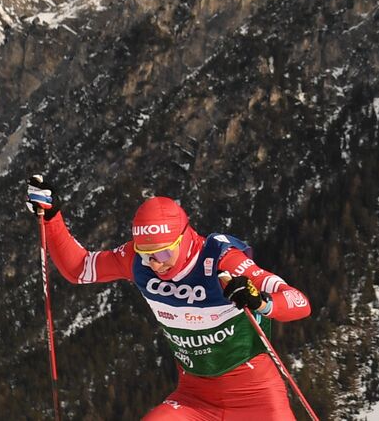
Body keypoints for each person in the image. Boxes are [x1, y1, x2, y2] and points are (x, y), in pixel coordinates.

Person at [25, 175, 312, 420]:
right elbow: (80, 269)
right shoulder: (138, 262)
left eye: (163, 253)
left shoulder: (221, 260)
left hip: (255, 395)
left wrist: (261, 301)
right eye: (146, 254)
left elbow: (299, 302)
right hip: (194, 398)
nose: (155, 264)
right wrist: (51, 219)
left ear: (184, 239)